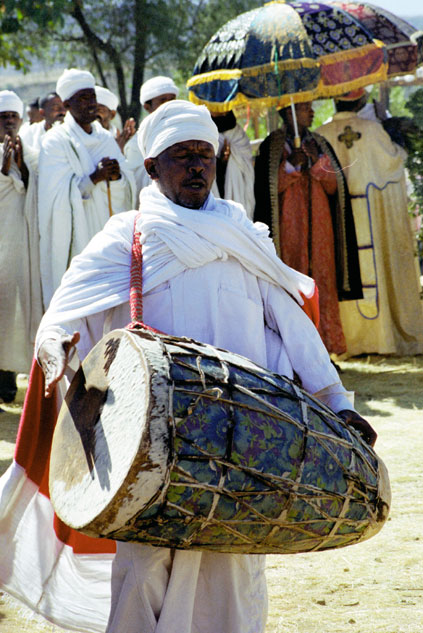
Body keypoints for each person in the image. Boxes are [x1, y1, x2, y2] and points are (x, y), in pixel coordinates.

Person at [0, 100, 375, 633]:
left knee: (234, 568)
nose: (197, 165)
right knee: (146, 567)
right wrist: (57, 351)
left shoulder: (245, 237)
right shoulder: (126, 237)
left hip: (242, 442)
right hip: (150, 442)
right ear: (152, 167)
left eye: (205, 155)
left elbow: (292, 327)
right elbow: (64, 315)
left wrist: (337, 401)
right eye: (181, 156)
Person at [316, 93, 423, 356]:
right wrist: (397, 138)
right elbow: (395, 161)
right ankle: (382, 338)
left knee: (344, 270)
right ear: (360, 100)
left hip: (338, 222)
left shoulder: (320, 135)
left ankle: (351, 341)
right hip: (371, 218)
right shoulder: (374, 130)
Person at [254, 102, 362, 356]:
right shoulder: (272, 146)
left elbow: (336, 187)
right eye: (304, 108)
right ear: (286, 112)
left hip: (321, 224)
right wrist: (291, 164)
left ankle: (324, 351)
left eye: (310, 107)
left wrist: (315, 161)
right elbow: (265, 191)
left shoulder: (319, 143)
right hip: (288, 228)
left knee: (322, 282)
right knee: (294, 283)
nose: (311, 112)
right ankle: (296, 353)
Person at [38, 68, 136, 308]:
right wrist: (94, 178)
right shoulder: (56, 141)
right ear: (67, 104)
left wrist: (116, 176)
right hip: (77, 239)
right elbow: (54, 200)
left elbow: (127, 185)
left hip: (108, 236)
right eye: (84, 98)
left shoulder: (104, 139)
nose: (92, 104)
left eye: (93, 97)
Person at [0, 90, 42, 402]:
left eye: (13, 117)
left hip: (18, 242)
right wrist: (4, 168)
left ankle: (7, 381)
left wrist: (19, 163)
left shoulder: (30, 151)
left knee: (13, 310)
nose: (10, 123)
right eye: (4, 118)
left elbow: (34, 187)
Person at [124, 75, 178, 201]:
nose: (168, 105)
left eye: (172, 99)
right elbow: (134, 186)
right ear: (147, 106)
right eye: (163, 100)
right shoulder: (135, 145)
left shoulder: (185, 132)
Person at [210, 109, 255, 219]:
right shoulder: (205, 135)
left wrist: (231, 158)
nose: (220, 112)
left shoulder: (239, 136)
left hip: (239, 197)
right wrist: (220, 161)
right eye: (216, 109)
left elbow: (247, 167)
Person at [95, 85, 136, 152]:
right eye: (91, 110)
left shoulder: (116, 135)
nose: (93, 114)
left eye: (99, 110)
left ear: (112, 115)